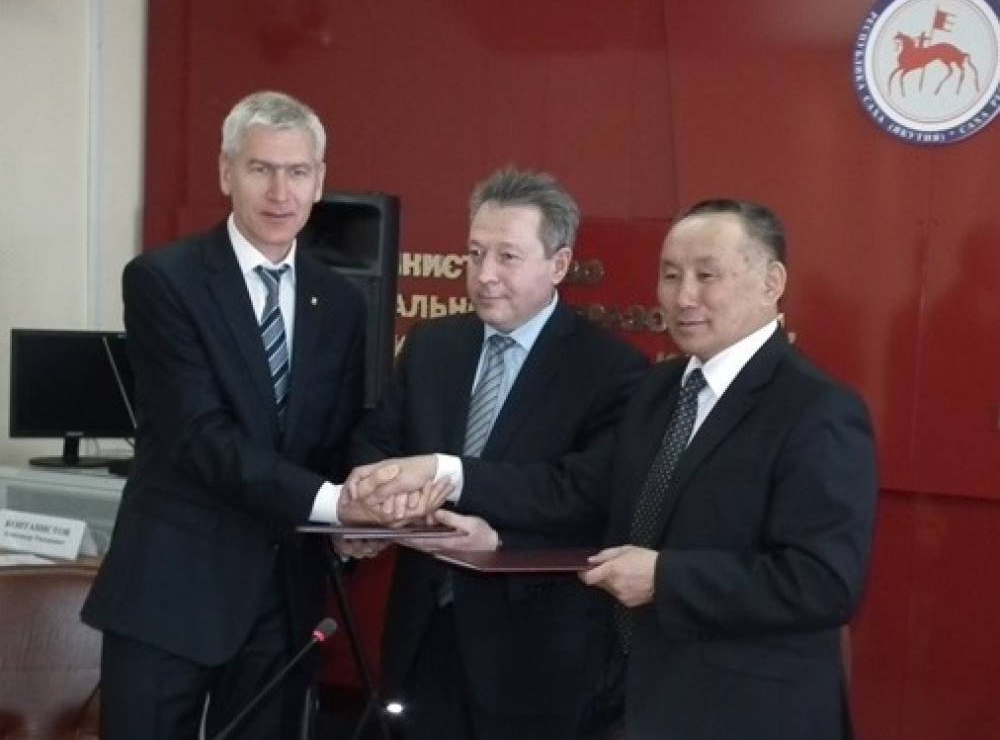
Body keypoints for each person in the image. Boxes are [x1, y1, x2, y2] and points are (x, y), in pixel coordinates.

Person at [81, 91, 444, 740]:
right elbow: (199, 438)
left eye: (297, 171)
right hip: (170, 595)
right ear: (227, 173)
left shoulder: (341, 302)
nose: (281, 192)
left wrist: (362, 509)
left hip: (283, 603)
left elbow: (338, 436)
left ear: (319, 181)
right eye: (261, 169)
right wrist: (335, 504)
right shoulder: (164, 280)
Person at [347, 167, 648, 740]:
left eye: (507, 256)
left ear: (558, 264)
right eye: (475, 253)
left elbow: (583, 492)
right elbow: (377, 444)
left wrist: (463, 489)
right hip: (423, 638)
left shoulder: (610, 369)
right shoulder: (433, 345)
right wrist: (380, 503)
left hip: (534, 655)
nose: (484, 274)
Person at [580, 199, 878, 740]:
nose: (683, 296)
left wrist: (665, 579)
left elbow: (823, 582)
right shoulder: (657, 390)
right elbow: (595, 500)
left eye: (707, 275)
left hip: (748, 714)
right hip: (632, 701)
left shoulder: (818, 409)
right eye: (671, 275)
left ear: (771, 282)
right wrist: (489, 531)